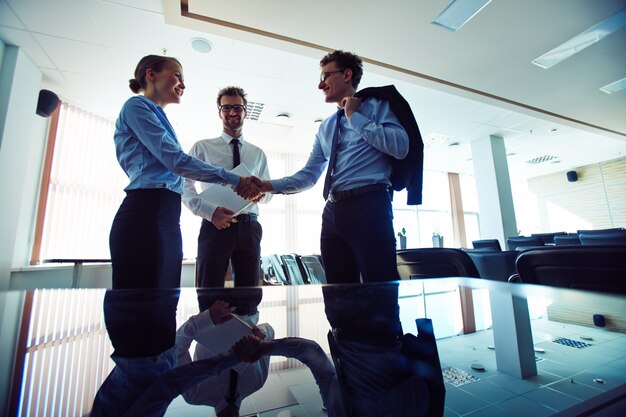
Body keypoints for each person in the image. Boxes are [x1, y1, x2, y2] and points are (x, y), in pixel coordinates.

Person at [239, 50, 410, 283]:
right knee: (337, 295)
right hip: (332, 211)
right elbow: (309, 175)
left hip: (369, 205)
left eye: (326, 76)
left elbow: (401, 147)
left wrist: (355, 117)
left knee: (380, 290)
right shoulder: (325, 127)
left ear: (347, 74)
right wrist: (266, 186)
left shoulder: (378, 106)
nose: (320, 85)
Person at [109, 55, 258, 289]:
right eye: (177, 74)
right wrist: (234, 180)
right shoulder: (136, 106)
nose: (183, 84)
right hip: (145, 209)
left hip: (168, 210)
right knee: (138, 301)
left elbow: (176, 170)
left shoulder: (160, 117)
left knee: (167, 296)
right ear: (151, 75)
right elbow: (177, 162)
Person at [183, 86, 271, 288]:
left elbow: (269, 193)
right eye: (227, 107)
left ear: (245, 112)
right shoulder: (202, 147)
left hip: (250, 226)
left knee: (249, 292)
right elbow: (184, 184)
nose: (232, 112)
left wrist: (260, 196)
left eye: (238, 108)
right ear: (219, 112)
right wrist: (208, 212)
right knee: (209, 290)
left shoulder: (258, 153)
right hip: (215, 225)